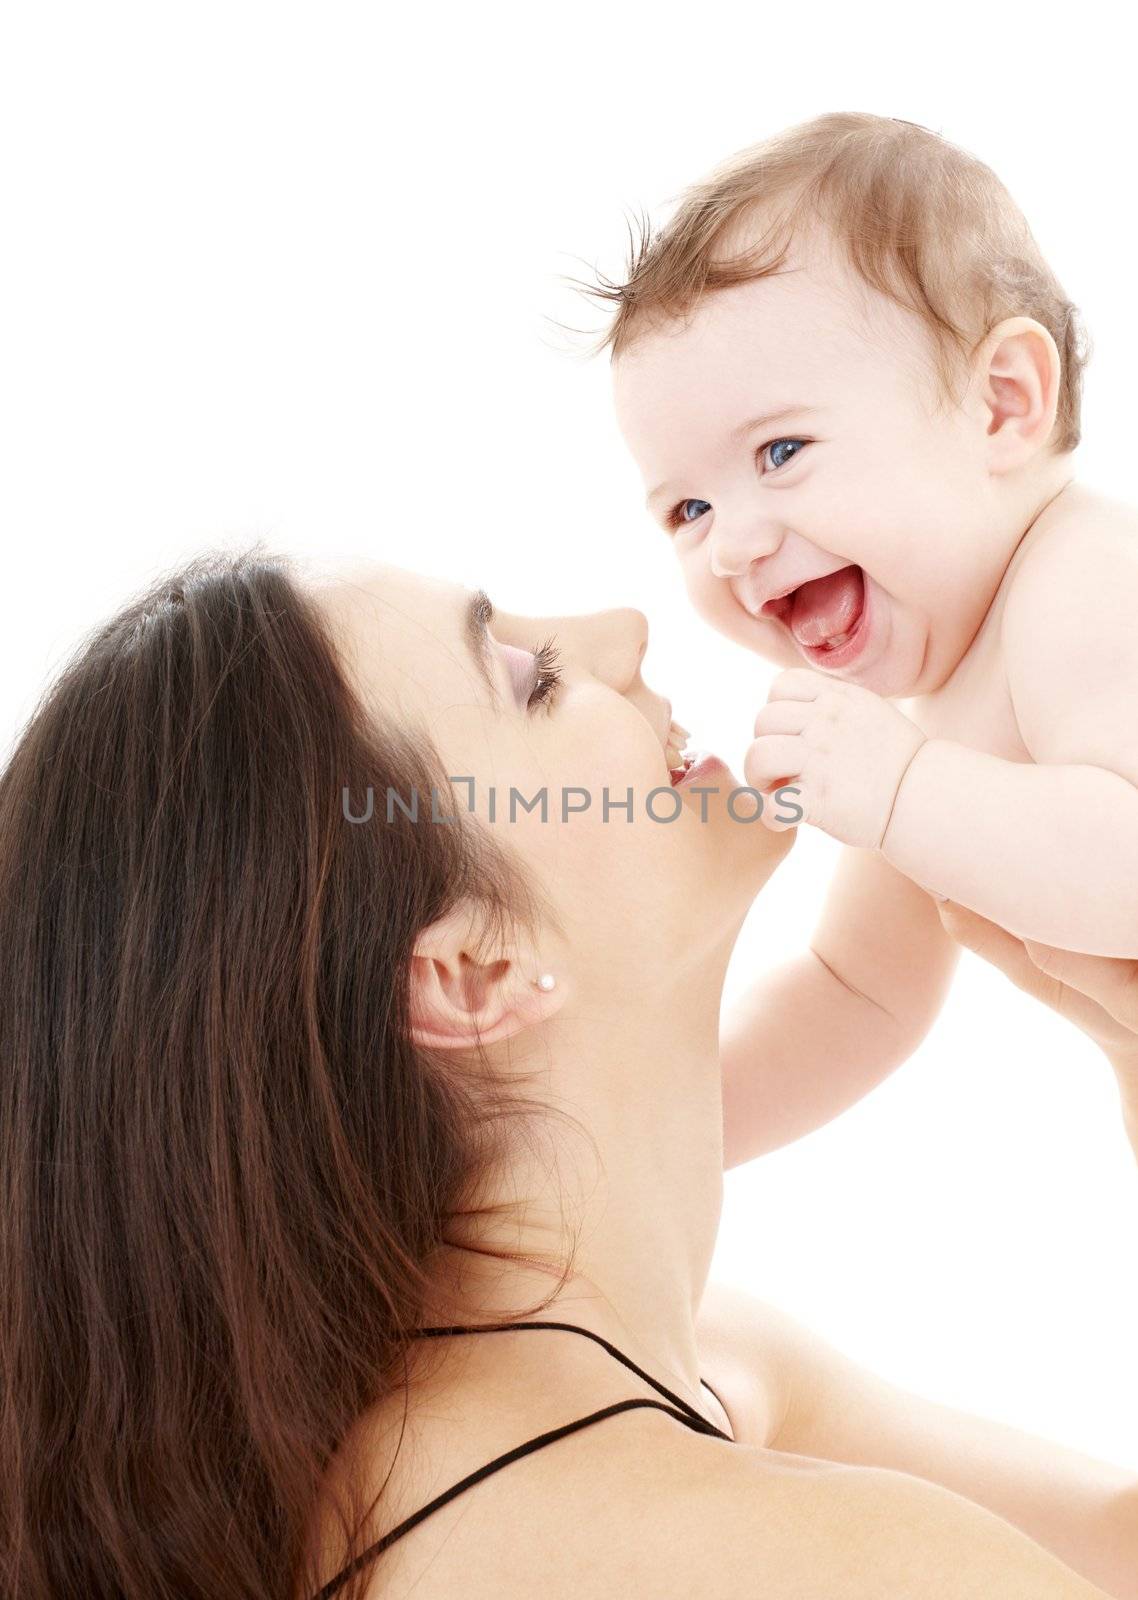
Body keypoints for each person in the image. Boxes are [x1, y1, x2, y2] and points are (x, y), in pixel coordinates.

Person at [0, 549, 1133, 1600]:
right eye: (530, 679)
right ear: (474, 972)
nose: (627, 629)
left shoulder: (682, 1375)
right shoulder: (834, 1564)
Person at [592, 111, 1138, 1169]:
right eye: (687, 512)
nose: (734, 545)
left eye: (781, 450)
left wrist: (902, 792)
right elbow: (855, 995)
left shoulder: (1084, 578)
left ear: (1000, 407)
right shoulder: (924, 720)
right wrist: (642, 1139)